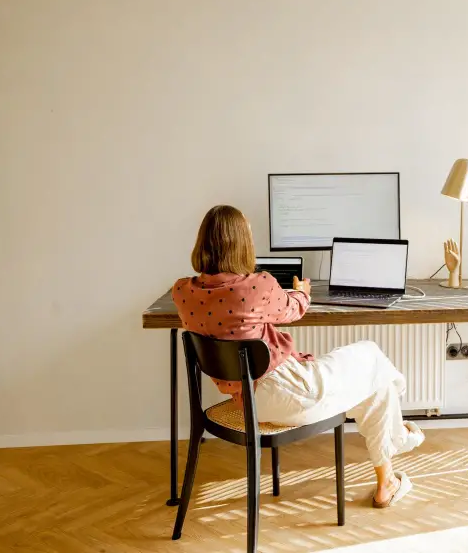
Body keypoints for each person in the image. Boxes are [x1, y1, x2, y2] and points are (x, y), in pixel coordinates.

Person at [173, 205, 424, 507]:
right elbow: (294, 309)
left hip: (248, 401)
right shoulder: (257, 285)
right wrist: (302, 290)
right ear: (240, 244)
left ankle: (388, 483)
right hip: (290, 391)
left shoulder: (183, 292)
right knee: (370, 354)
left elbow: (229, 317)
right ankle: (399, 433)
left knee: (375, 387)